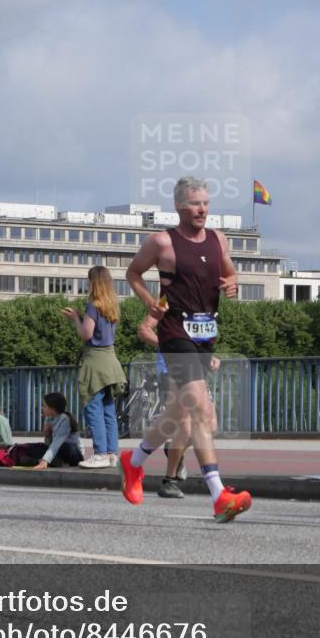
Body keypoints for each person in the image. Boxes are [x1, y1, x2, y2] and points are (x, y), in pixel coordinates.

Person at [120, 176, 251, 522]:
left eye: (206, 203)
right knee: (202, 412)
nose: (203, 209)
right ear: (179, 207)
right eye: (195, 204)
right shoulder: (162, 242)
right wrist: (149, 301)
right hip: (174, 331)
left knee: (177, 414)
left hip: (206, 334)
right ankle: (219, 495)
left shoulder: (219, 239)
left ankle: (133, 464)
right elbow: (133, 272)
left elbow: (229, 272)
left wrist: (233, 283)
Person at [137, 313, 221, 498]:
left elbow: (193, 341)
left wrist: (208, 357)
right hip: (171, 370)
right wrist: (170, 346)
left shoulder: (196, 304)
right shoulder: (165, 302)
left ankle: (172, 450)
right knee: (184, 425)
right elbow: (144, 330)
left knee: (210, 425)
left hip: (194, 371)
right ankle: (170, 481)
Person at [62, 266, 127, 469]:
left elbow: (86, 334)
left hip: (95, 362)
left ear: (93, 283)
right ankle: (111, 453)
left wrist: (75, 320)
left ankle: (99, 453)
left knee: (93, 408)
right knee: (108, 410)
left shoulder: (93, 304)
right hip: (111, 360)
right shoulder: (112, 305)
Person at [20, 392, 84, 470]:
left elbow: (57, 442)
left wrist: (45, 460)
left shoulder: (64, 419)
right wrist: (47, 434)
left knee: (65, 446)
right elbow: (49, 444)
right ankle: (55, 462)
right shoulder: (49, 419)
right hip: (57, 452)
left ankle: (42, 461)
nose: (42, 408)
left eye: (44, 406)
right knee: (32, 447)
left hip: (73, 454)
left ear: (52, 408)